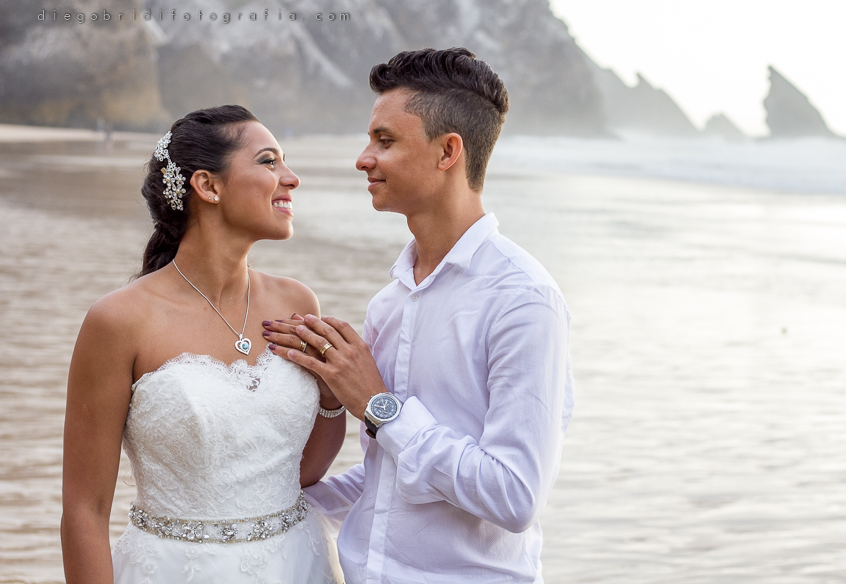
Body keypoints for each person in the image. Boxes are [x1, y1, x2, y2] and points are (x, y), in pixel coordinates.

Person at [264, 48, 575, 583]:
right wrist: (265, 513)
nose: (363, 159)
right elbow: (388, 477)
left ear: (448, 151)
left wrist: (380, 408)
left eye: (384, 141)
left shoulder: (523, 300)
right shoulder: (389, 303)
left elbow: (514, 495)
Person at [61, 105, 345, 583]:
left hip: (301, 565)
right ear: (208, 186)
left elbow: (297, 473)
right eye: (269, 161)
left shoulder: (296, 303)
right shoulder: (118, 321)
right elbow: (85, 511)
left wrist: (333, 397)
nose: (291, 178)